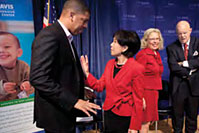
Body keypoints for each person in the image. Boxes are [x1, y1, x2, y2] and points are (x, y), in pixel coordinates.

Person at [30, 0, 101, 133]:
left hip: (64, 112)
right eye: (83, 20)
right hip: (55, 114)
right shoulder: (50, 35)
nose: (86, 26)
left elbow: (62, 73)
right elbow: (38, 78)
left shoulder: (64, 37)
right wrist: (73, 101)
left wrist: (80, 90)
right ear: (71, 15)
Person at [81, 30, 144, 133]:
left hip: (125, 116)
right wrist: (87, 72)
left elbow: (138, 100)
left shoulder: (137, 68)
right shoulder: (110, 64)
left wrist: (134, 126)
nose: (111, 45)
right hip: (109, 113)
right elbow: (99, 86)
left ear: (124, 48)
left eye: (115, 42)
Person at [166, 20, 199, 133]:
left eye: (185, 32)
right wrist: (191, 71)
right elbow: (173, 67)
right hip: (178, 87)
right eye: (180, 33)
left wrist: (184, 63)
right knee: (177, 118)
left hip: (194, 87)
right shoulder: (171, 48)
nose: (182, 36)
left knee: (192, 117)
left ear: (190, 30)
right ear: (176, 33)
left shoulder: (198, 43)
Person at [135, 28, 164, 133]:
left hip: (153, 92)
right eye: (152, 39)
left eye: (157, 39)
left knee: (148, 122)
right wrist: (141, 97)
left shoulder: (156, 54)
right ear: (146, 40)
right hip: (145, 93)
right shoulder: (143, 54)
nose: (155, 41)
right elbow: (137, 77)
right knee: (144, 122)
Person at [0, 31, 34, 101]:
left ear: (18, 53)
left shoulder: (23, 66)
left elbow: (34, 83)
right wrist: (2, 88)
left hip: (19, 105)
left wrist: (28, 85)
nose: (1, 50)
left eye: (6, 47)